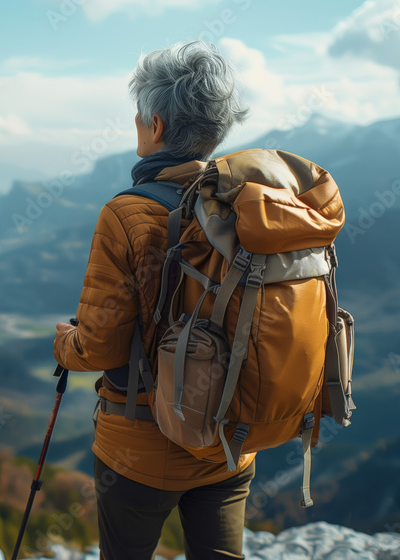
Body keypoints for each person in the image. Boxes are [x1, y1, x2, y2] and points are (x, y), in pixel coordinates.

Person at [53, 40, 253, 560]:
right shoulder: (250, 208)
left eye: (140, 115)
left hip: (142, 446)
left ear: (156, 126)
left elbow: (100, 348)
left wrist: (65, 346)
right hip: (230, 439)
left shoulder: (126, 213)